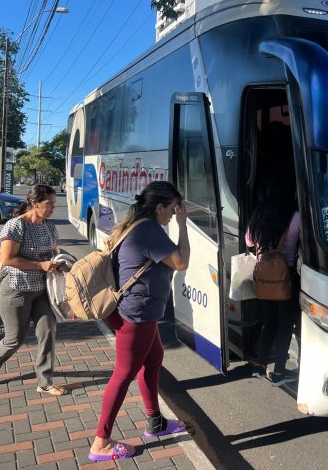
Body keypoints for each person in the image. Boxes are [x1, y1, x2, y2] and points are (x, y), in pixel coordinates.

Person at [89, 181, 190, 462]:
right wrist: (183, 226)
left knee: (153, 360)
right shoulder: (148, 230)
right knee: (123, 375)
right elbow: (181, 262)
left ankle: (156, 422)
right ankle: (100, 443)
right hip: (136, 314)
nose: (174, 214)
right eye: (172, 209)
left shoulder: (140, 225)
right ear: (159, 207)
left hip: (140, 312)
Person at [0, 185, 68, 396]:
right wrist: (40, 265)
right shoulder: (16, 225)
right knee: (15, 338)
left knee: (48, 332)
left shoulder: (49, 227)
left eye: (54, 204)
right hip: (16, 290)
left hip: (42, 290)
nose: (52, 208)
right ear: (34, 203)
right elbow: (8, 259)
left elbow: (53, 252)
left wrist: (58, 263)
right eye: (49, 204)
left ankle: (45, 381)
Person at [246, 178, 301, 387]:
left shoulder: (258, 216)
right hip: (285, 277)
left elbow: (249, 241)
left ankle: (259, 367)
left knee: (269, 321)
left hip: (263, 277)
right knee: (285, 325)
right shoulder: (295, 217)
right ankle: (278, 372)